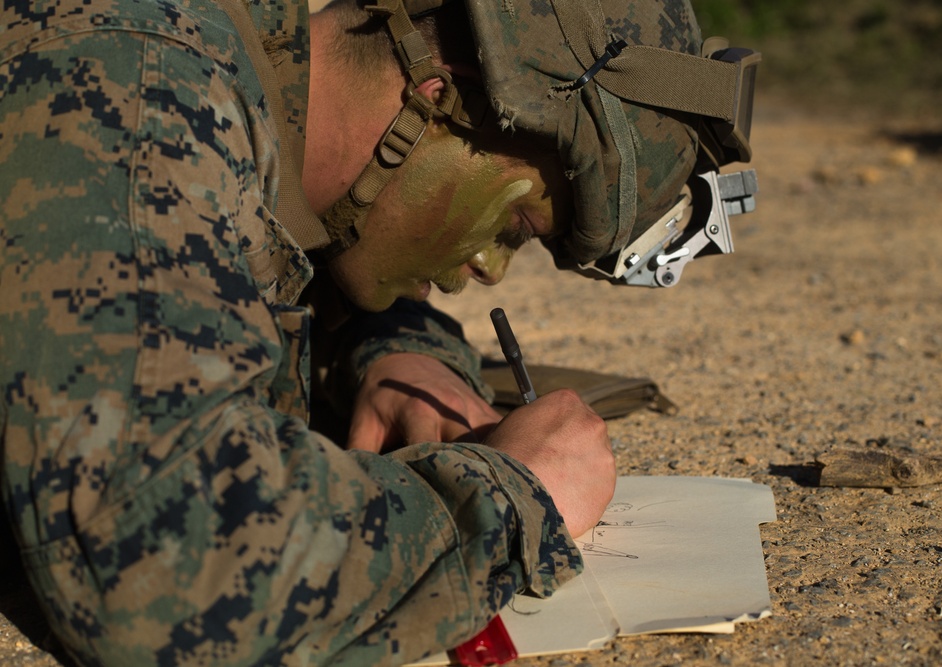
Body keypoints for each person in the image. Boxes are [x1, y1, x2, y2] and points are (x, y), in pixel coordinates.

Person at [0, 0, 731, 663]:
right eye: (512, 224)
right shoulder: (134, 89)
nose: (486, 268)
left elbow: (242, 274)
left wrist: (396, 348)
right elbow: (160, 566)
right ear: (438, 89)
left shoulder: (228, 87)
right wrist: (504, 500)